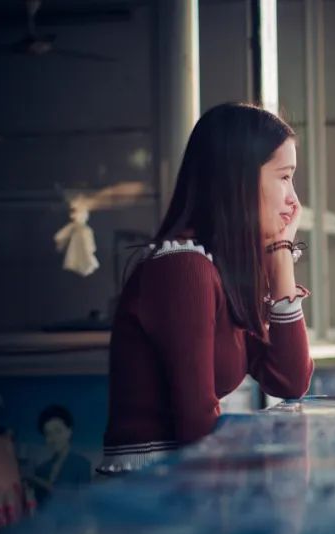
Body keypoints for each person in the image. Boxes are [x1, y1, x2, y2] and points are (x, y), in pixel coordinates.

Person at [100, 103, 313, 474]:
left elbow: (289, 380)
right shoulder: (183, 268)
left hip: (180, 481)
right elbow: (196, 425)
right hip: (148, 489)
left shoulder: (220, 267)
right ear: (239, 180)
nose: (294, 200)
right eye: (284, 177)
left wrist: (281, 256)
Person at [30, 404, 92, 504]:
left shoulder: (81, 465)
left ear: (69, 431)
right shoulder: (41, 469)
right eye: (48, 434)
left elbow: (83, 502)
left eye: (58, 431)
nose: (53, 438)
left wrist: (42, 483)